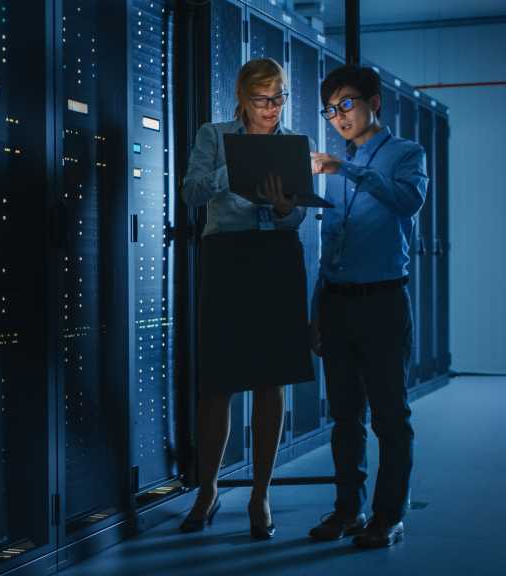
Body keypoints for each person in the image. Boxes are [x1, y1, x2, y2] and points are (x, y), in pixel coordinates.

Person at [179, 58, 314, 540]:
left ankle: (261, 494)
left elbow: (297, 219)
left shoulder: (297, 144)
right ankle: (208, 489)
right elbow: (191, 192)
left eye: (278, 98)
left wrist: (283, 209)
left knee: (271, 381)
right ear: (242, 98)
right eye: (261, 100)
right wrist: (229, 171)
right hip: (227, 260)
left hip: (275, 258)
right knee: (217, 383)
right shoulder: (213, 135)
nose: (271, 109)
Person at [308, 64, 427, 548]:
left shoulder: (406, 153)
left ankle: (388, 516)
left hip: (382, 302)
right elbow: (330, 243)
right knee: (345, 416)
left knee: (390, 418)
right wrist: (317, 309)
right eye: (331, 109)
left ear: (374, 102)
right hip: (338, 303)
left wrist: (348, 169)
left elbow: (408, 201)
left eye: (347, 103)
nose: (339, 117)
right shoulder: (334, 169)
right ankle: (346, 511)